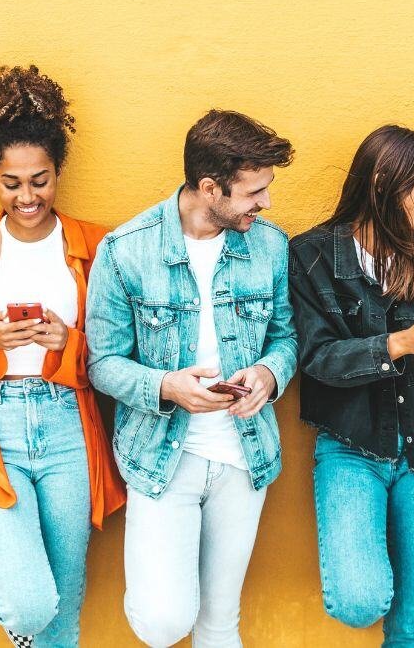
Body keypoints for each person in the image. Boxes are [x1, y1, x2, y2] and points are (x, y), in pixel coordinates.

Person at [86, 109, 298, 648]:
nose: (265, 203)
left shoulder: (270, 246)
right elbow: (102, 362)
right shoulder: (125, 250)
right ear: (209, 188)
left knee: (220, 622)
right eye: (253, 192)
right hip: (161, 456)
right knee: (163, 622)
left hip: (243, 455)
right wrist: (166, 387)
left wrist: (269, 375)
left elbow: (286, 337)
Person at [0, 65, 126, 647]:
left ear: (58, 173)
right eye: (11, 182)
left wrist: (65, 344)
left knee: (63, 613)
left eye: (40, 180)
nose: (28, 197)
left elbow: (121, 352)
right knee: (30, 601)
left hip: (69, 423)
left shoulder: (97, 245)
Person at [288, 125, 414, 647]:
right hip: (352, 448)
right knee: (359, 600)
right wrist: (396, 345)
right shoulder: (312, 256)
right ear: (382, 180)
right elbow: (313, 359)